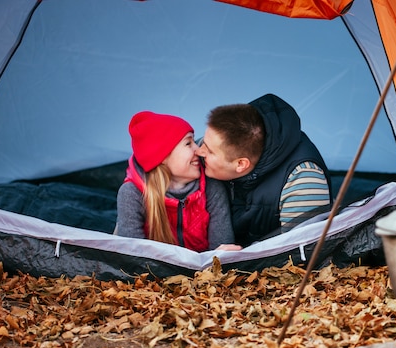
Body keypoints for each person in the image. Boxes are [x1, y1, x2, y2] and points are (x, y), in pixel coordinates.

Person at [196, 93, 332, 247]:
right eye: (203, 143)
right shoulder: (223, 141)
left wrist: (239, 259)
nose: (198, 151)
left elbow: (301, 255)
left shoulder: (303, 179)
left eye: (209, 151)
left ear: (241, 164)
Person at [115, 110, 241, 251]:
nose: (198, 150)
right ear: (162, 157)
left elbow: (222, 246)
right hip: (154, 271)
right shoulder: (132, 194)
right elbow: (133, 256)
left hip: (206, 271)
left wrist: (218, 258)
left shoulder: (211, 187)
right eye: (188, 143)